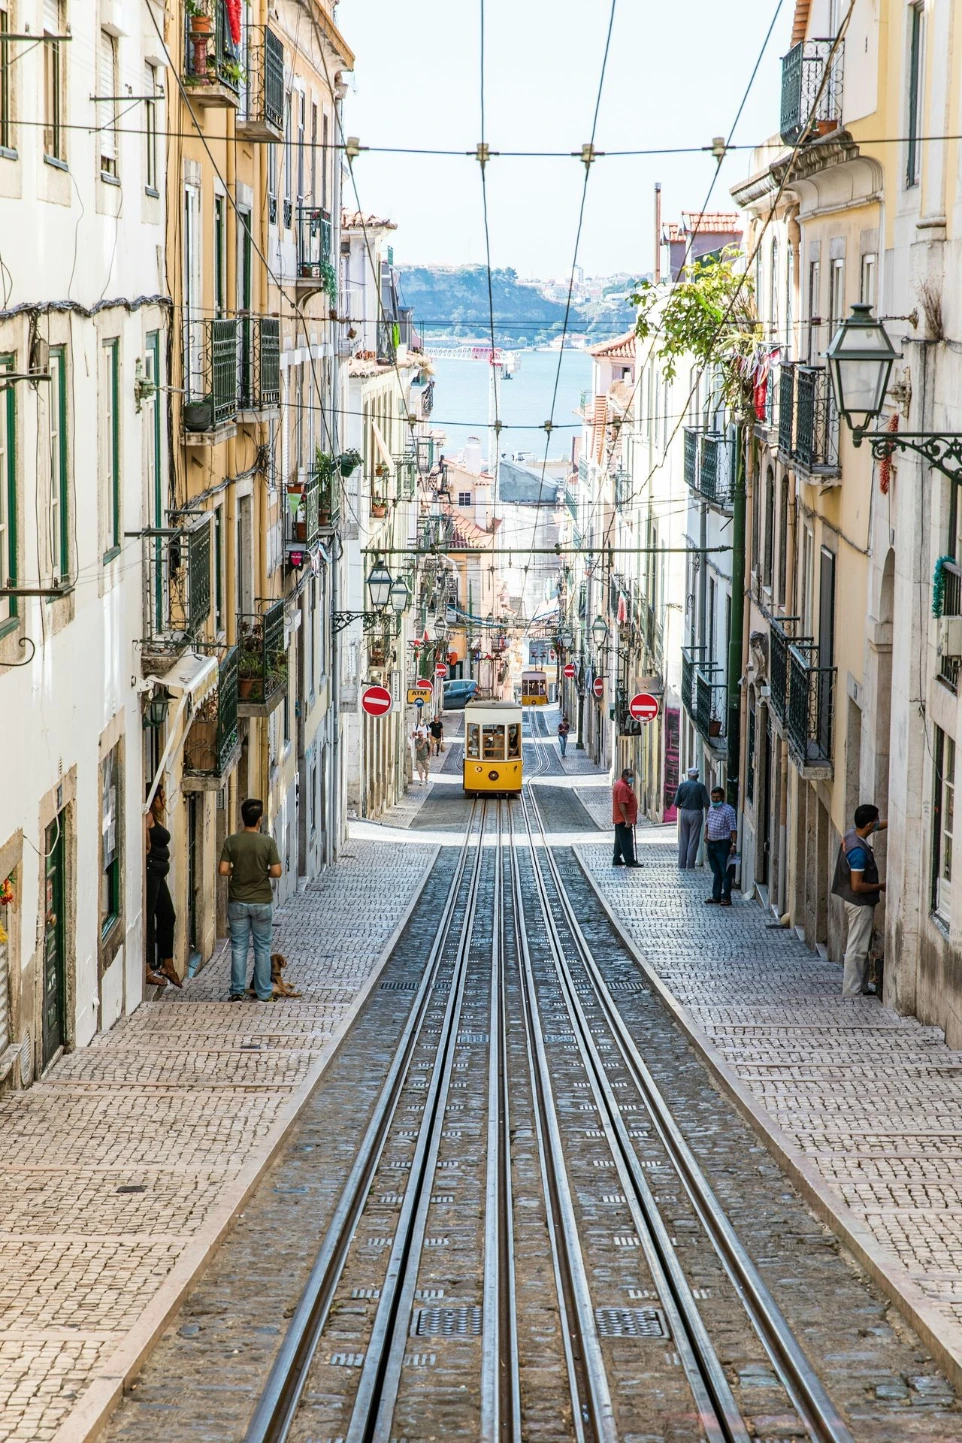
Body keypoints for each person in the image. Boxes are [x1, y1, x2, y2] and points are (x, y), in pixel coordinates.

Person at [219, 798, 283, 1002]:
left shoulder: (232, 841)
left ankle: (237, 991)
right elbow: (277, 871)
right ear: (260, 820)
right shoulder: (268, 842)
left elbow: (222, 870)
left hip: (238, 901)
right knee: (262, 948)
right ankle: (264, 993)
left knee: (238, 946)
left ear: (242, 818)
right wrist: (261, 872)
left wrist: (237, 870)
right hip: (261, 901)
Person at [831, 803, 888, 997]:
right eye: (877, 822)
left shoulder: (851, 834)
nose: (878, 824)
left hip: (854, 901)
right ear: (869, 824)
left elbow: (877, 825)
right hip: (859, 904)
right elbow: (857, 885)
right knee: (856, 948)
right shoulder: (858, 852)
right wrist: (880, 886)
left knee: (862, 945)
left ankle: (861, 987)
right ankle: (852, 990)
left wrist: (894, 823)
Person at [144, 784, 181, 989]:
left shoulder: (153, 816)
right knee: (149, 919)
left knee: (168, 915)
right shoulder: (147, 817)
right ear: (153, 798)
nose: (164, 800)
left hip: (158, 874)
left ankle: (167, 963)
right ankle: (147, 968)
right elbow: (146, 846)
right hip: (151, 874)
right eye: (161, 796)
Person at [704, 787, 738, 905]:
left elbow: (733, 829)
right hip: (711, 844)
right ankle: (716, 896)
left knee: (725, 872)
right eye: (713, 797)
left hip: (723, 845)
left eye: (717, 797)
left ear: (722, 797)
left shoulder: (729, 811)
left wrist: (733, 844)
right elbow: (708, 823)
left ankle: (726, 897)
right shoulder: (711, 808)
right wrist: (705, 834)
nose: (715, 799)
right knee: (716, 871)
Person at [673, 766, 711, 870]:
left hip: (684, 812)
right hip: (696, 813)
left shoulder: (682, 785)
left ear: (689, 775)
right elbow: (707, 803)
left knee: (684, 839)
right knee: (693, 840)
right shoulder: (701, 787)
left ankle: (681, 864)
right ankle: (690, 865)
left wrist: (682, 807)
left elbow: (676, 803)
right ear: (697, 776)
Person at [612, 767, 642, 868]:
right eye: (630, 776)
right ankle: (630, 861)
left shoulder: (622, 785)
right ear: (624, 776)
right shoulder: (622, 787)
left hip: (620, 819)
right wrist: (627, 820)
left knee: (619, 840)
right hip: (623, 820)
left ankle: (616, 859)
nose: (632, 778)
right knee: (627, 840)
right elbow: (622, 804)